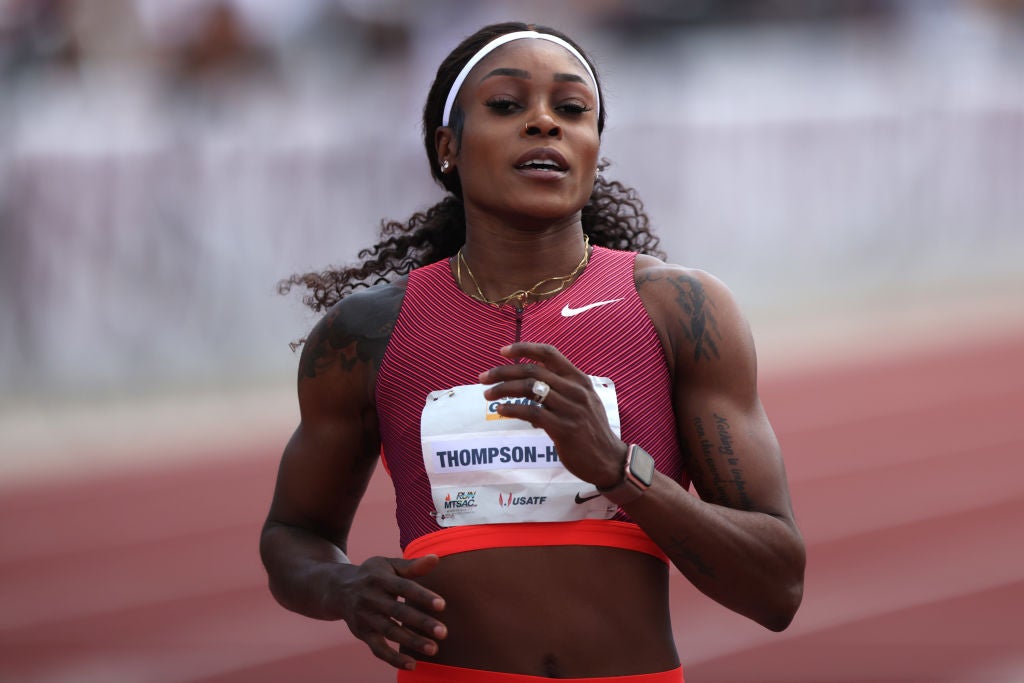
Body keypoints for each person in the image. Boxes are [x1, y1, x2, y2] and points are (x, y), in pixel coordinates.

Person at [260, 21, 805, 682]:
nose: (544, 123)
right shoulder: (365, 333)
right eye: (507, 105)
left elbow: (777, 587)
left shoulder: (682, 312)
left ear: (595, 147)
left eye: (572, 110)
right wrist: (340, 588)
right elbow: (294, 532)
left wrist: (617, 470)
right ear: (447, 147)